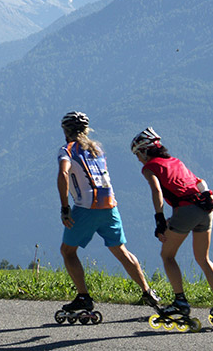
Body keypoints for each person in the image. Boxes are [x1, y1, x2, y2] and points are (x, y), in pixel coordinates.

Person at [56, 111, 160, 314]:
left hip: (85, 208)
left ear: (65, 131)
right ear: (86, 130)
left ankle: (83, 297)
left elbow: (63, 173)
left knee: (68, 251)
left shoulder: (66, 149)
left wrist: (65, 208)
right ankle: (148, 292)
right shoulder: (97, 148)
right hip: (110, 206)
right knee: (121, 251)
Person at [130, 127, 213, 320]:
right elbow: (200, 183)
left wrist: (160, 219)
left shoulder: (150, 167)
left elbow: (157, 191)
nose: (138, 159)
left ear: (145, 151)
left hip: (186, 211)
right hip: (205, 208)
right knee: (203, 259)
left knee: (167, 255)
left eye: (137, 154)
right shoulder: (175, 161)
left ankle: (180, 302)